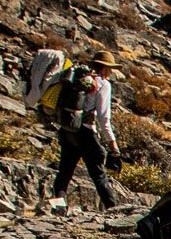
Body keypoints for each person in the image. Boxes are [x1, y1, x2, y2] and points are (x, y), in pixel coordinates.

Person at [45, 52, 121, 213]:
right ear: (105, 68)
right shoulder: (103, 84)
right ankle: (114, 211)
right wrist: (113, 144)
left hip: (68, 129)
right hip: (86, 132)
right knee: (99, 175)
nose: (112, 72)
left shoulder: (78, 80)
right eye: (110, 68)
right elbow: (103, 117)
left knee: (64, 172)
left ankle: (59, 209)